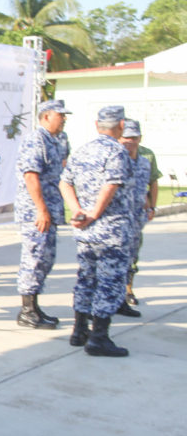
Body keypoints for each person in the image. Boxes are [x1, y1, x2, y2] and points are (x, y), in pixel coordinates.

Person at [60, 106, 134, 357]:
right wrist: (93, 214)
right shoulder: (117, 152)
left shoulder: (82, 150)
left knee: (86, 279)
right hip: (110, 230)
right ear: (121, 125)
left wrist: (78, 211)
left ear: (97, 124)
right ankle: (99, 338)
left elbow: (64, 182)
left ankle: (79, 330)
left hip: (86, 231)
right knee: (109, 282)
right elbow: (111, 186)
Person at [14, 99, 70, 329]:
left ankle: (34, 307)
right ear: (46, 116)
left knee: (45, 260)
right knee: (34, 259)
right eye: (60, 115)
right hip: (35, 213)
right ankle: (26, 311)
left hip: (48, 211)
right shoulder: (36, 140)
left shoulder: (55, 141)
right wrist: (41, 209)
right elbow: (30, 176)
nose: (64, 119)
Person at [119, 118, 161, 306]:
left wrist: (151, 206)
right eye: (126, 137)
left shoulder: (147, 156)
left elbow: (152, 182)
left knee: (133, 253)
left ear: (140, 138)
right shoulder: (114, 154)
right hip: (116, 215)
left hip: (136, 215)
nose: (130, 141)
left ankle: (128, 290)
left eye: (134, 137)